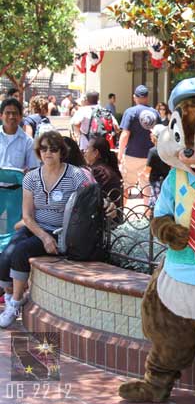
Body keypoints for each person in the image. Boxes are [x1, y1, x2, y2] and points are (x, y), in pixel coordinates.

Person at [0, 130, 91, 327]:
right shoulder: (31, 178)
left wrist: (107, 205)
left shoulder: (74, 175)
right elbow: (26, 216)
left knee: (21, 252)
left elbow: (90, 197)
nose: (48, 152)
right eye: (43, 148)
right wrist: (43, 237)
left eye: (53, 148)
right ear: (38, 152)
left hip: (59, 232)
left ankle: (15, 303)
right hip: (36, 228)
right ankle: (10, 297)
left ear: (61, 152)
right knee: (5, 256)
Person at [118, 85, 160, 202]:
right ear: (147, 97)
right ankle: (146, 215)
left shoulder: (130, 112)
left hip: (132, 154)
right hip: (149, 156)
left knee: (126, 186)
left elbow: (125, 134)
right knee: (147, 187)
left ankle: (122, 214)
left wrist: (120, 154)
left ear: (134, 97)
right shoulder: (155, 113)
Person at [0, 98, 39, 171]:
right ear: (1, 116)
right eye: (7, 113)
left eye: (14, 113)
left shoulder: (28, 141)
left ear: (21, 117)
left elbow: (34, 168)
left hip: (18, 182)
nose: (11, 117)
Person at [84, 136, 123, 208]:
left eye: (87, 148)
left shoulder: (99, 171)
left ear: (95, 152)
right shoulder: (103, 167)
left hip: (108, 215)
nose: (84, 151)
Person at [144, 125, 170, 208]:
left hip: (156, 181)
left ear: (155, 137)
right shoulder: (169, 150)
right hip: (167, 180)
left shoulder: (153, 151)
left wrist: (143, 175)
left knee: (156, 204)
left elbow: (147, 169)